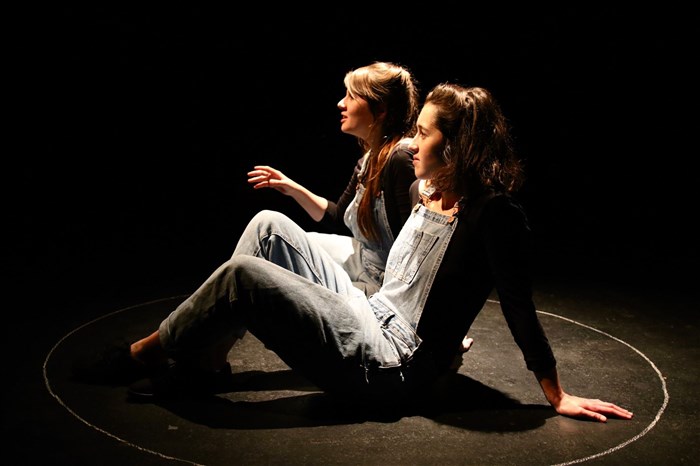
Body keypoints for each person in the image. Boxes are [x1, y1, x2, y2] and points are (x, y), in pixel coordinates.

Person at [120, 83, 632, 422]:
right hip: (370, 311)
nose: (412, 143)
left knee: (244, 276)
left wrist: (556, 395)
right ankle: (206, 363)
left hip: (392, 362)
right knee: (268, 227)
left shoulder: (492, 214)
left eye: (423, 134)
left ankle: (144, 353)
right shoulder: (423, 189)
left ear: (455, 147)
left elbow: (519, 307)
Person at [246, 61, 418, 298]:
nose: (341, 103)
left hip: (383, 282)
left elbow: (415, 251)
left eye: (352, 96)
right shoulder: (369, 160)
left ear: (380, 110)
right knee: (273, 234)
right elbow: (338, 218)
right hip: (364, 259)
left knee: (283, 257)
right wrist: (292, 188)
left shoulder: (400, 159)